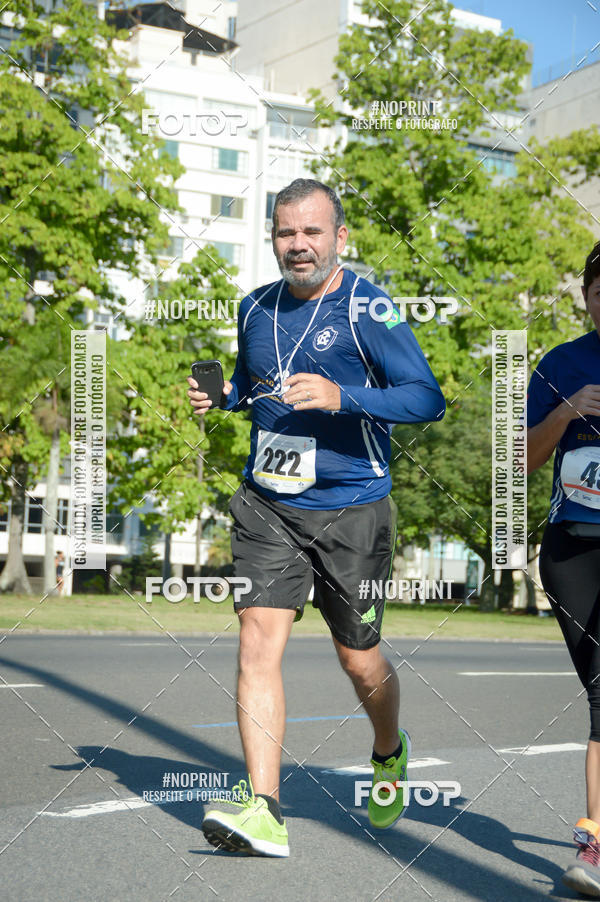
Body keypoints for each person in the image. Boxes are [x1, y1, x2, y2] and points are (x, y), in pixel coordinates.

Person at [187, 178, 445, 857]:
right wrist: (225, 397)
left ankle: (388, 749)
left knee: (359, 662)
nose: (297, 246)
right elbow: (255, 385)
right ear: (272, 237)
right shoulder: (254, 307)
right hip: (268, 503)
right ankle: (266, 808)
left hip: (351, 508)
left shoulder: (370, 309)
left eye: (311, 233)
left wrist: (342, 395)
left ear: (339, 238)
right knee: (256, 643)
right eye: (285, 233)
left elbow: (427, 398)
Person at [527, 241, 600, 896]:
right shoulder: (560, 365)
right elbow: (518, 460)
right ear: (586, 297)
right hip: (574, 548)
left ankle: (596, 843)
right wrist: (567, 410)